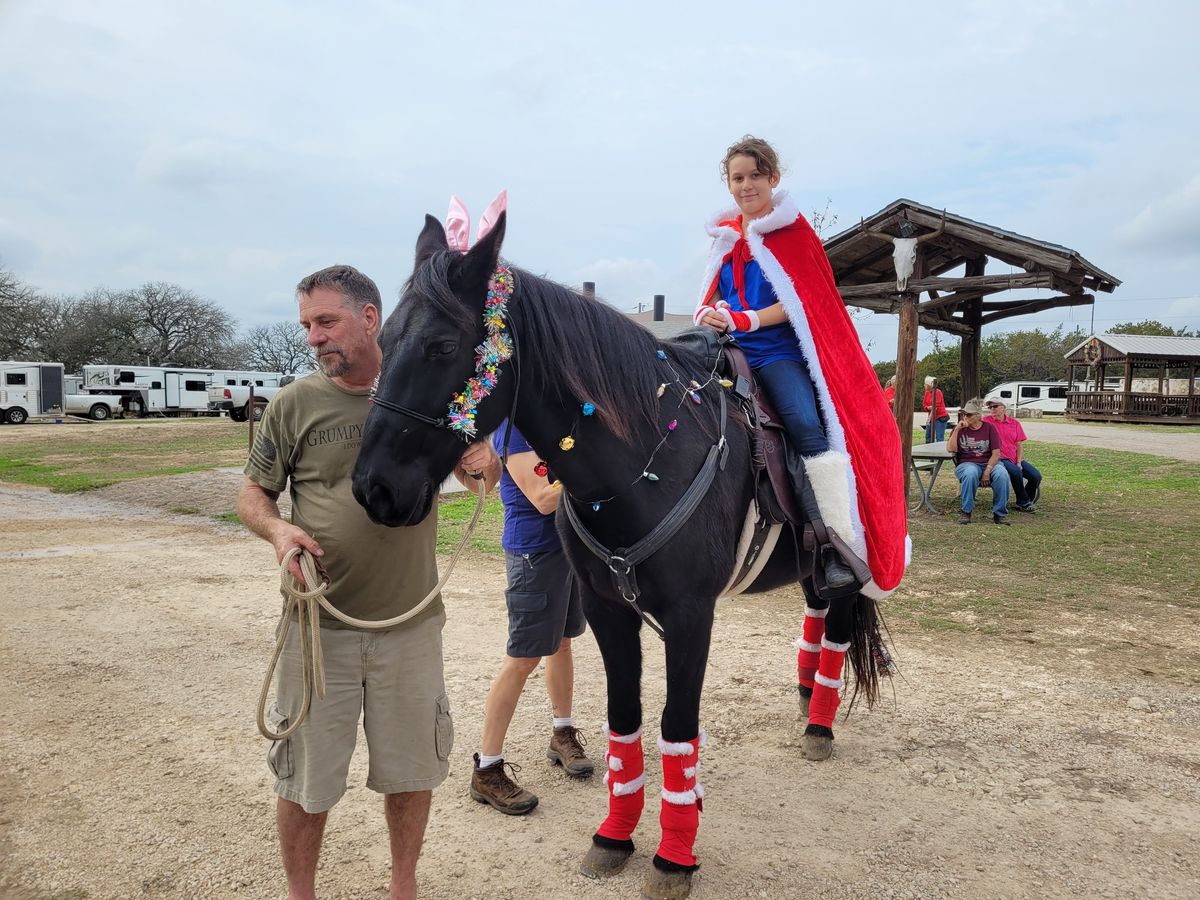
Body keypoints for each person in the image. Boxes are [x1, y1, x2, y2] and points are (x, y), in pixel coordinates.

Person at [239, 264, 500, 900]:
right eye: (306, 325)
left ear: (370, 318)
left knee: (412, 771)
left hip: (409, 624)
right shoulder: (294, 403)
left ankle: (402, 887)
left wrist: (481, 460)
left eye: (325, 321)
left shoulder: (425, 394)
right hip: (317, 629)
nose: (313, 337)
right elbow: (254, 493)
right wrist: (277, 532)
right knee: (306, 779)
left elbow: (477, 474)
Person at [692, 135, 909, 744]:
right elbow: (712, 298)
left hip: (775, 352)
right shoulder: (727, 234)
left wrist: (745, 319)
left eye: (753, 176)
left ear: (772, 176)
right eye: (735, 179)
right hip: (728, 349)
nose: (744, 187)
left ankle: (837, 545)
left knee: (809, 428)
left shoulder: (792, 234)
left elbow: (802, 304)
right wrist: (712, 317)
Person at [470, 420, 595, 815]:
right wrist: (604, 475)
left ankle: (562, 733)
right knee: (523, 658)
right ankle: (487, 770)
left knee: (562, 642)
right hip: (534, 554)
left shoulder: (555, 416)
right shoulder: (516, 428)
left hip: (568, 548)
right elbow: (543, 496)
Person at [947, 399, 1011, 525]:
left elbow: (996, 453)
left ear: (978, 416)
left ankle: (1000, 514)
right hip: (967, 463)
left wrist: (988, 470)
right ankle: (966, 511)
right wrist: (956, 430)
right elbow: (951, 449)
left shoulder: (989, 428)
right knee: (970, 472)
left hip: (989, 462)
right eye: (964, 414)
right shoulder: (959, 429)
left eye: (968, 414)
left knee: (1002, 474)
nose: (965, 417)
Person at [984, 399, 1041, 512]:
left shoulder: (1014, 423)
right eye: (990, 407)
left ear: (1003, 408)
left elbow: (1018, 445)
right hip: (999, 458)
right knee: (1016, 471)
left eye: (995, 406)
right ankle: (1023, 502)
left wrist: (1019, 461)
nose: (992, 409)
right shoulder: (986, 422)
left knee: (1036, 476)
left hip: (1014, 458)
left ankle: (1027, 499)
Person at [922, 376, 949, 442]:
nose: (924, 386)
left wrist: (929, 419)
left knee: (939, 437)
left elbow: (935, 407)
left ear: (929, 385)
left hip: (940, 417)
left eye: (925, 384)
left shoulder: (938, 392)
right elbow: (924, 404)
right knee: (928, 436)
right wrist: (927, 408)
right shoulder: (927, 393)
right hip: (931, 417)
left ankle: (938, 451)